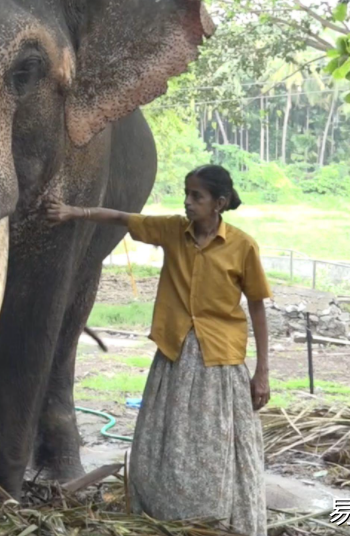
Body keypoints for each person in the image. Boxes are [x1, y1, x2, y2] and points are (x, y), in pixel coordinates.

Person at [46, 164, 270, 536]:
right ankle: (168, 515)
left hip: (220, 362)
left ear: (220, 202)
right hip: (175, 354)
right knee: (165, 442)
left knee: (215, 447)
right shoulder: (171, 231)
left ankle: (215, 517)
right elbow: (121, 218)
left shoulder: (242, 246)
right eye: (187, 194)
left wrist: (261, 372)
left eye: (197, 196)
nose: (188, 202)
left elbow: (258, 307)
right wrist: (74, 212)